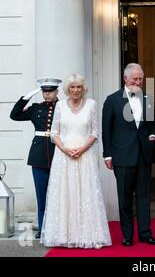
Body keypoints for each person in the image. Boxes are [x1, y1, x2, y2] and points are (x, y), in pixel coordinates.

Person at [41, 73, 112, 248]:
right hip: (63, 157)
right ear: (67, 89)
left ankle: (87, 235)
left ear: (83, 88)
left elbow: (95, 132)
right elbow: (54, 133)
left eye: (79, 87)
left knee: (85, 194)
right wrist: (65, 149)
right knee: (65, 194)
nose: (75, 90)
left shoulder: (91, 105)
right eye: (72, 87)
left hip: (85, 156)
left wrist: (82, 149)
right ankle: (63, 236)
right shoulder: (59, 106)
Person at [102, 63, 155, 247]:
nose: (138, 81)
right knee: (125, 197)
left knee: (144, 196)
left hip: (143, 154)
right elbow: (106, 130)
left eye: (141, 78)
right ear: (125, 78)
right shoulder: (112, 100)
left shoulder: (148, 99)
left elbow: (152, 125)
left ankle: (145, 233)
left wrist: (153, 135)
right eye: (135, 78)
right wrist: (107, 155)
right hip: (122, 155)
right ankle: (127, 235)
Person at [10, 77, 61, 239]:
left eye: (50, 91)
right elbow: (14, 115)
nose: (47, 95)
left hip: (59, 154)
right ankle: (43, 228)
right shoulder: (35, 108)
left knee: (60, 195)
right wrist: (27, 96)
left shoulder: (63, 108)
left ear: (57, 92)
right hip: (39, 156)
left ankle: (59, 228)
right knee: (42, 196)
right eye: (44, 92)